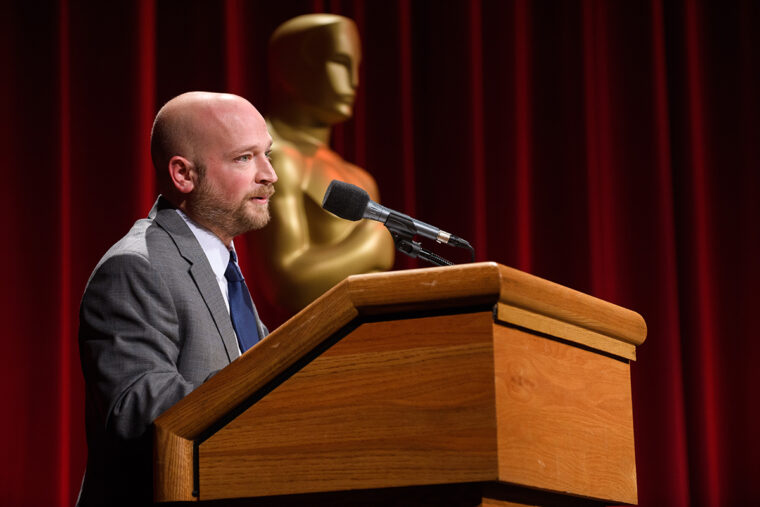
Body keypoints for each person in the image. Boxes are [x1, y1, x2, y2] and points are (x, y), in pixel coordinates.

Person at [76, 91, 277, 506]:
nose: (269, 174)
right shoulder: (136, 267)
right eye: (244, 158)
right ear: (183, 175)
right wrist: (264, 391)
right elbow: (136, 411)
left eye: (267, 154)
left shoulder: (223, 267)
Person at [251, 14, 394, 316]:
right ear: (291, 68)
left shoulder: (359, 177)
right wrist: (373, 241)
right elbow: (287, 283)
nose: (353, 81)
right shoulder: (273, 157)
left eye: (355, 65)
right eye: (340, 63)